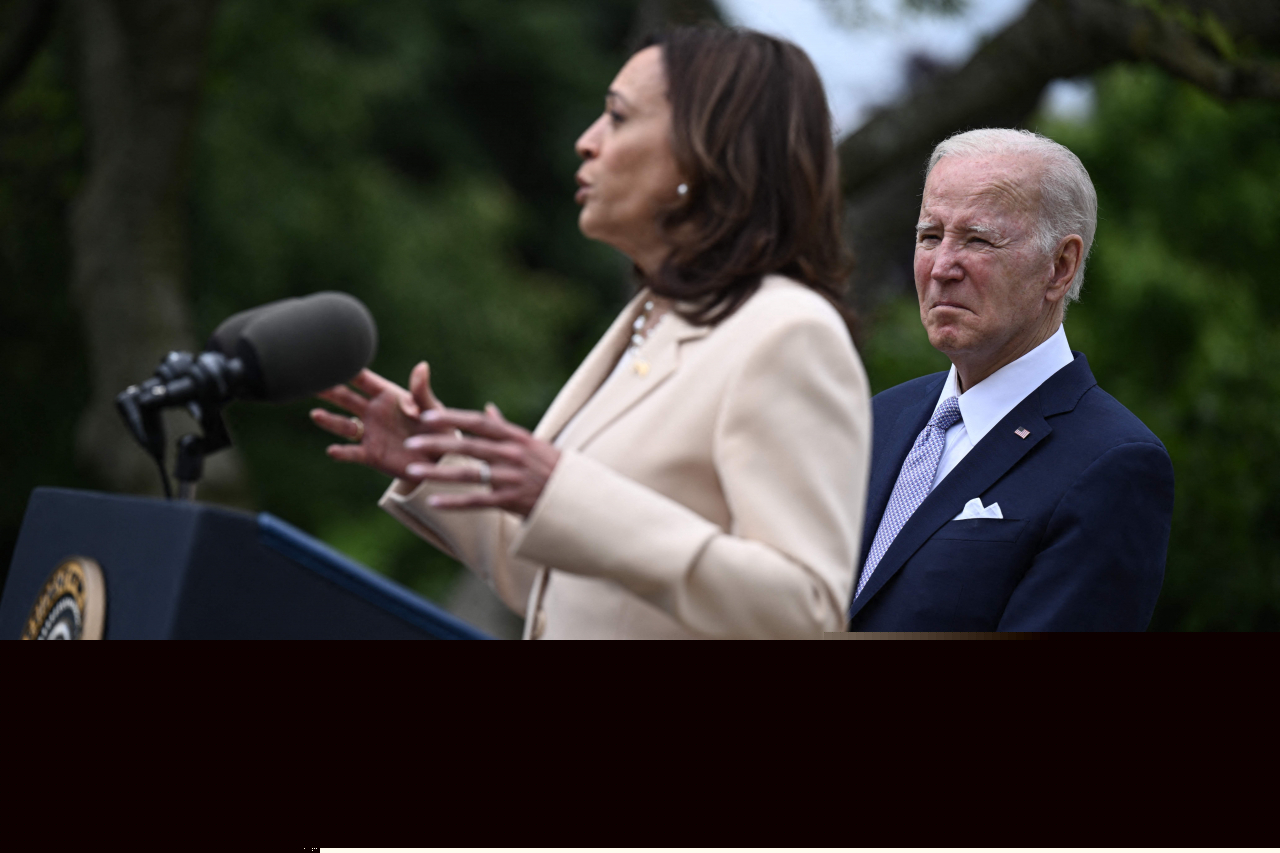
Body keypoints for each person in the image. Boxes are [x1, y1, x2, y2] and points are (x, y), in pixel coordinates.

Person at [310, 27, 871, 639]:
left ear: (705, 150)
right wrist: (436, 465)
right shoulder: (652, 319)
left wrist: (565, 493)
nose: (587, 142)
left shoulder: (788, 333)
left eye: (617, 117)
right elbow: (557, 586)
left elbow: (804, 611)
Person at [848, 128, 1175, 632]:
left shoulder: (1113, 462)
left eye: (978, 239)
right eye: (930, 236)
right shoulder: (879, 418)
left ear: (1060, 266)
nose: (942, 267)